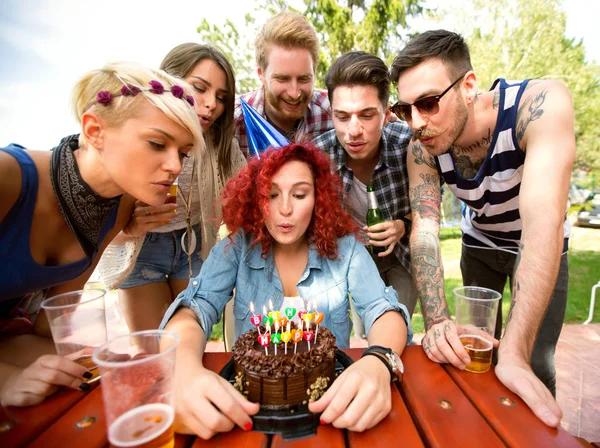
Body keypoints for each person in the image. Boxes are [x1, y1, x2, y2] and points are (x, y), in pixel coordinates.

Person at [159, 142, 412, 439]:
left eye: (300, 194)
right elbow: (193, 310)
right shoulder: (239, 246)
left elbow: (383, 311)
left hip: (330, 413)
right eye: (272, 195)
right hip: (248, 414)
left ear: (318, 198)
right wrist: (184, 370)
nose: (286, 209)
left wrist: (379, 361)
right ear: (256, 199)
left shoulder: (347, 251)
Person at [390, 30, 575, 427]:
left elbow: (543, 221)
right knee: (473, 354)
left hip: (538, 244)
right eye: (405, 110)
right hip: (479, 244)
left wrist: (515, 352)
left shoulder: (540, 105)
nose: (417, 123)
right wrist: (437, 320)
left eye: (428, 103)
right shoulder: (421, 145)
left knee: (532, 360)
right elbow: (424, 229)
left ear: (469, 85)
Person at [0, 62, 203, 407]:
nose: (176, 167)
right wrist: (7, 381)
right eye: (157, 144)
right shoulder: (8, 179)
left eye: (182, 153)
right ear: (94, 131)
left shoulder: (118, 206)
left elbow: (51, 328)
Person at [97, 44, 246, 332]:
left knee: (190, 342)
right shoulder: (137, 131)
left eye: (221, 97)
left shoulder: (221, 144)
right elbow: (92, 223)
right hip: (143, 248)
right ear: (168, 83)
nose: (211, 103)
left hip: (195, 244)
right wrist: (128, 228)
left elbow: (245, 195)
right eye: (199, 88)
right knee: (156, 350)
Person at [313, 52, 416, 340]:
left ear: (386, 113)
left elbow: (430, 207)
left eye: (367, 115)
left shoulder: (408, 146)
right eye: (342, 117)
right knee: (363, 334)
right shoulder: (318, 156)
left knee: (398, 330)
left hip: (402, 256)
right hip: (350, 260)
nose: (353, 131)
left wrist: (402, 226)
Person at [233, 11, 333, 158]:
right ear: (261, 74)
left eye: (304, 79)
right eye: (282, 79)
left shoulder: (334, 113)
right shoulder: (233, 122)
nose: (294, 93)